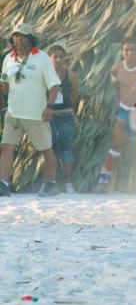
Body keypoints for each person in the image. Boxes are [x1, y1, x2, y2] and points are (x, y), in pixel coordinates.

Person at [0, 23, 61, 197]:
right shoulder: (8, 58)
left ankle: (51, 183)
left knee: (45, 149)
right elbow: (4, 81)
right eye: (16, 35)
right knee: (6, 147)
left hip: (36, 114)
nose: (18, 39)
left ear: (30, 39)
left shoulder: (41, 58)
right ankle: (3, 183)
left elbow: (55, 85)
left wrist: (49, 106)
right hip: (13, 113)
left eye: (23, 35)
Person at [94, 37, 136, 193]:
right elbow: (115, 89)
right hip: (123, 110)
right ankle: (104, 180)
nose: (129, 53)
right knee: (116, 146)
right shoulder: (117, 69)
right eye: (126, 50)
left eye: (132, 49)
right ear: (122, 52)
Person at [47, 44, 79, 193]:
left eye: (61, 56)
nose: (59, 60)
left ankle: (68, 182)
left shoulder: (71, 75)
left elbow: (74, 95)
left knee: (67, 148)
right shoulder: (45, 75)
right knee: (50, 148)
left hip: (66, 115)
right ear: (50, 58)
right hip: (50, 116)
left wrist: (70, 109)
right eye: (55, 57)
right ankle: (51, 181)